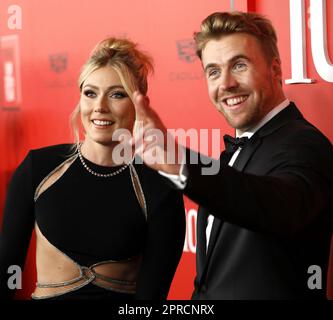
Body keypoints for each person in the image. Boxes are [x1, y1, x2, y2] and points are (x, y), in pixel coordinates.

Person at [130, 11, 333, 299]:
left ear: (275, 70)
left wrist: (180, 161)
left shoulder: (304, 144)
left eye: (239, 65)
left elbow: (276, 206)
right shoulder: (233, 152)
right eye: (213, 71)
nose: (225, 83)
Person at [0, 37, 185, 300]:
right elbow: (8, 268)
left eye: (117, 94)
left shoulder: (159, 186)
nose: (99, 106)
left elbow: (152, 297)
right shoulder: (38, 168)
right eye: (90, 93)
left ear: (140, 103)